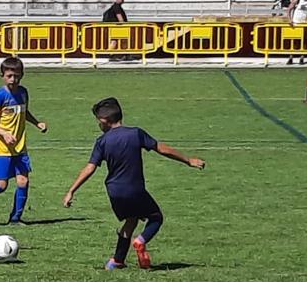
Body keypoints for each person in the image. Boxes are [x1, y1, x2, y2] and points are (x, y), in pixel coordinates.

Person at [63, 97, 205, 270]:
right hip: (134, 189)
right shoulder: (136, 133)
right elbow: (161, 148)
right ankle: (140, 241)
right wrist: (188, 160)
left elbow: (90, 168)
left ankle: (116, 261)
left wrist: (72, 190)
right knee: (156, 217)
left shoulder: (102, 142)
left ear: (104, 121)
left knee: (131, 220)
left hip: (114, 191)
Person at [0, 57, 47, 225]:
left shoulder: (23, 93)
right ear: (3, 76)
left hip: (20, 147)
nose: (13, 79)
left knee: (23, 181)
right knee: (1, 185)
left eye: (17, 76)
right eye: (10, 76)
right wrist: (4, 133)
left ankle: (15, 219)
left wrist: (37, 123)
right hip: (2, 148)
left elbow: (24, 112)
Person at [288, 0, 307, 65]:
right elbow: (289, 9)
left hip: (304, 24)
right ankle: (291, 57)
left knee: (304, 41)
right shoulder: (297, 1)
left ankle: (301, 57)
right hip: (296, 23)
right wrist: (290, 20)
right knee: (294, 41)